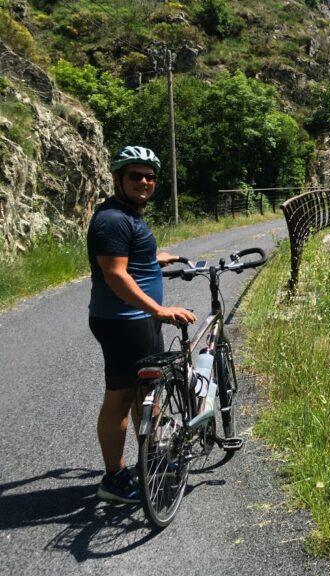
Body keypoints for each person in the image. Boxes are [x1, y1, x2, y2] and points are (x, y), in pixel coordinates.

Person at [87, 146, 196, 504]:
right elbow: (115, 275)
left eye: (150, 176)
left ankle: (152, 461)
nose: (145, 182)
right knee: (120, 398)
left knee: (144, 393)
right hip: (124, 321)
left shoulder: (129, 216)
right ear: (118, 179)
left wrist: (157, 257)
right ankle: (114, 478)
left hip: (137, 320)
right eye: (135, 176)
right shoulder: (112, 220)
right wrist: (159, 309)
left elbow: (131, 258)